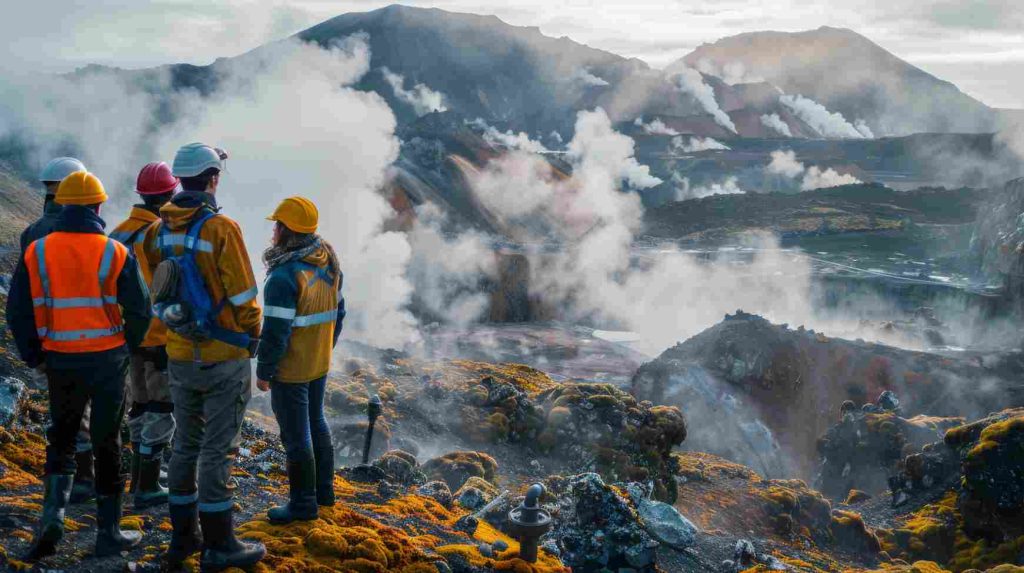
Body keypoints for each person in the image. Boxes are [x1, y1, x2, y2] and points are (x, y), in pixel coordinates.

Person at [7, 170, 151, 559]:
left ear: (63, 205)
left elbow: (17, 310)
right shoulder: (114, 252)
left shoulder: (37, 250)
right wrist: (128, 345)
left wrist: (35, 355)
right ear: (99, 206)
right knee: (108, 442)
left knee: (63, 438)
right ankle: (109, 533)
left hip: (60, 360)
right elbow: (140, 309)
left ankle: (51, 519)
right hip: (108, 361)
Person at [142, 143, 265, 571]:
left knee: (185, 446)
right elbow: (246, 299)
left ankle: (183, 540)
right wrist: (254, 335)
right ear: (212, 178)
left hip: (179, 355)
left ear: (179, 179)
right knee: (217, 449)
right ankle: (219, 543)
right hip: (224, 357)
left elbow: (157, 289)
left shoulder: (159, 230)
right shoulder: (222, 229)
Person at [5, 157, 97, 504]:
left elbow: (19, 303)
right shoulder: (88, 231)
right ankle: (86, 481)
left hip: (48, 344)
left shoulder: (32, 233)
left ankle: (60, 488)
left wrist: (31, 352)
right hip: (91, 342)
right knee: (87, 411)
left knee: (63, 412)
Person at [256, 197, 345, 523]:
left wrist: (264, 371)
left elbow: (276, 333)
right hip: (318, 364)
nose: (273, 231)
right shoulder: (328, 263)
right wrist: (325, 347)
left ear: (284, 230)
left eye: (276, 225)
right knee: (316, 422)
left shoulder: (283, 277)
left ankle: (303, 505)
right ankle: (324, 492)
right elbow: (340, 312)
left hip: (292, 370)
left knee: (296, 437)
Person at [110, 162, 180, 509]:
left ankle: (139, 476)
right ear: (170, 194)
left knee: (138, 405)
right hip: (161, 336)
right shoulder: (165, 235)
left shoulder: (118, 234)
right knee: (160, 407)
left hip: (126, 336)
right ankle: (148, 485)